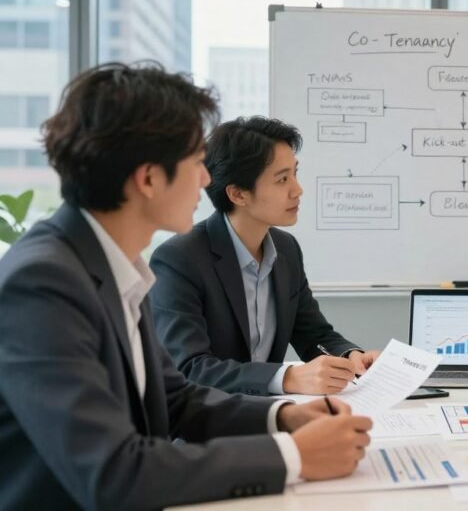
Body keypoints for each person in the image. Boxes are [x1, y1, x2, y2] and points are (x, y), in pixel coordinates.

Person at [0, 63, 372, 510]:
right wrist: (293, 455)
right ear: (149, 178)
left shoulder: (114, 265)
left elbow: (175, 400)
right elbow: (112, 473)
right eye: (196, 162)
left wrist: (285, 415)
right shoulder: (43, 284)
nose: (206, 179)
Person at [150, 117, 378, 397]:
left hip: (269, 412)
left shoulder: (286, 249)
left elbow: (313, 334)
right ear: (238, 194)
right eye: (282, 179)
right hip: (207, 419)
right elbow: (189, 368)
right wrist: (287, 377)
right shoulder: (179, 259)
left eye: (295, 174)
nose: (297, 190)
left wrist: (350, 356)